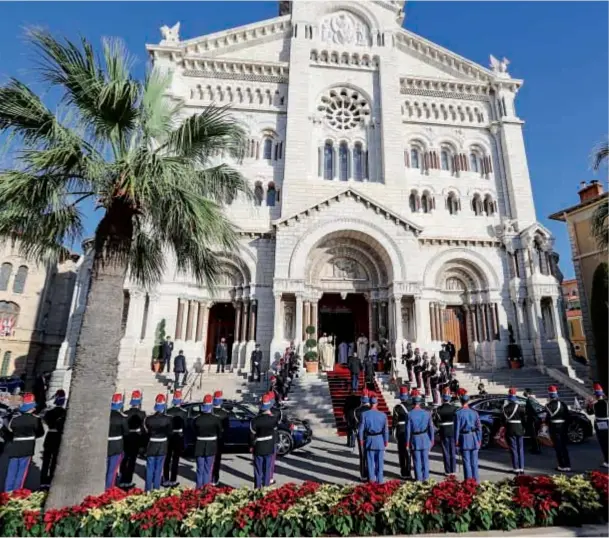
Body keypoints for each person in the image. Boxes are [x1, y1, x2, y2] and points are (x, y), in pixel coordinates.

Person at [3, 393, 44, 492]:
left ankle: (7, 491)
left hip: (15, 445)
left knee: (11, 471)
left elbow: (9, 432)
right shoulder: (35, 420)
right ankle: (17, 492)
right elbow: (40, 433)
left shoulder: (15, 419)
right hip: (27, 446)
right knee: (22, 472)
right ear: (31, 408)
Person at [193, 394, 223, 488]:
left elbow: (194, 431)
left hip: (199, 445)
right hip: (211, 445)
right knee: (208, 469)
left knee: (199, 469)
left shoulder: (197, 419)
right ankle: (206, 489)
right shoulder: (216, 419)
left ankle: (198, 488)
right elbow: (220, 432)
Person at [250, 394, 279, 489]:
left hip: (258, 446)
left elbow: (251, 436)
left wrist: (251, 446)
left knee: (258, 470)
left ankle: (257, 487)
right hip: (269, 446)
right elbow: (275, 432)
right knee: (267, 468)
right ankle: (266, 487)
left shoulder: (255, 421)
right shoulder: (273, 419)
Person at [144, 394, 172, 491]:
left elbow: (147, 430)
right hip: (162, 444)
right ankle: (156, 488)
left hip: (152, 444)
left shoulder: (149, 419)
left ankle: (147, 489)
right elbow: (169, 432)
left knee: (149, 468)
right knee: (159, 468)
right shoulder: (168, 419)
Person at [119, 390, 147, 489]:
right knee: (132, 460)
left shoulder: (126, 413)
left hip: (127, 437)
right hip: (136, 437)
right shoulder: (142, 413)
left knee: (125, 459)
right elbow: (143, 428)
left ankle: (122, 478)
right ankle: (128, 481)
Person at [358, 396, 388, 484]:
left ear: (369, 403)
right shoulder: (383, 415)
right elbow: (385, 431)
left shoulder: (364, 414)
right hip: (379, 440)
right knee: (380, 463)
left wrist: (361, 441)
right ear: (377, 403)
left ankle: (371, 480)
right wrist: (385, 442)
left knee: (370, 462)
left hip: (369, 440)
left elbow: (361, 430)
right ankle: (380, 480)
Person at [405, 389, 434, 481]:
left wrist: (407, 443)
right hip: (425, 438)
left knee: (417, 461)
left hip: (415, 439)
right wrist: (432, 440)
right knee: (425, 460)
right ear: (420, 402)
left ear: (413, 402)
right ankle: (426, 479)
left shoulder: (409, 414)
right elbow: (431, 428)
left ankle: (418, 479)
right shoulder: (427, 413)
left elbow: (408, 430)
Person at [40, 389, 67, 488]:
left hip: (50, 436)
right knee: (55, 460)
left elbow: (43, 418)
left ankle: (43, 481)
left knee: (46, 460)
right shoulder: (65, 413)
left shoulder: (49, 412)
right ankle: (51, 479)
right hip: (58, 437)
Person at [455, 390, 481, 483]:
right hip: (473, 437)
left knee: (466, 462)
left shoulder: (458, 413)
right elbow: (479, 428)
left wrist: (456, 442)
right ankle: (476, 481)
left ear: (461, 401)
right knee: (474, 462)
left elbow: (457, 429)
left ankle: (468, 482)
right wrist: (479, 439)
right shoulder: (474, 412)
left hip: (464, 438)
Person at [163, 390, 187, 487]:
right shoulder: (183, 412)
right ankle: (173, 480)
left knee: (167, 459)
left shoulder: (168, 411)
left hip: (169, 436)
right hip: (178, 436)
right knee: (175, 459)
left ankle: (165, 479)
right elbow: (185, 425)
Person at [545, 385, 571, 472]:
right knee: (564, 446)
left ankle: (561, 465)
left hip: (554, 428)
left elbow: (547, 419)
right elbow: (568, 416)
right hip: (563, 426)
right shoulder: (563, 404)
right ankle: (568, 465)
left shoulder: (548, 406)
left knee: (558, 447)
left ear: (549, 395)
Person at [106, 393, 129, 490]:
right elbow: (126, 432)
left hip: (106, 444)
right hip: (117, 446)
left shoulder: (106, 415)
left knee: (105, 468)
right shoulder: (122, 417)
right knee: (112, 470)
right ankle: (108, 489)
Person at [502, 387, 526, 475]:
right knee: (520, 449)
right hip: (519, 428)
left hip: (510, 428)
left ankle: (516, 468)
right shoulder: (521, 407)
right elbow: (524, 419)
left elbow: (503, 420)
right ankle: (521, 468)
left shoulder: (505, 408)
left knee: (513, 449)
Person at [433, 389, 457, 476]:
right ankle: (453, 469)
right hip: (452, 431)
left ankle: (447, 470)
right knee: (453, 451)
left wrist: (439, 427)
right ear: (449, 398)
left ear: (442, 398)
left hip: (443, 431)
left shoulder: (438, 410)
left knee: (446, 451)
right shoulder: (454, 408)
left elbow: (435, 422)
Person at [586, 383, 608, 467]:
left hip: (600, 423)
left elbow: (589, 412)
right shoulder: (607, 402)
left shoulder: (595, 404)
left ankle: (607, 461)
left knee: (604, 443)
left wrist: (588, 404)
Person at [392, 386, 411, 480]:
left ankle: (404, 472)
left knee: (402, 452)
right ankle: (409, 470)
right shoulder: (412, 406)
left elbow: (394, 422)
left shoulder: (397, 407)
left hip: (401, 429)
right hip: (410, 430)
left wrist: (393, 432)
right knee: (409, 452)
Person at [212, 391, 229, 486]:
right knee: (217, 460)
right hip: (219, 439)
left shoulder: (210, 412)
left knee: (209, 461)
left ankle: (209, 478)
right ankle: (215, 479)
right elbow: (227, 428)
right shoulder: (224, 413)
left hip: (209, 439)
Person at [354, 392, 371, 481]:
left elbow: (355, 423)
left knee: (362, 456)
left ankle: (363, 475)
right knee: (371, 455)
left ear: (361, 400)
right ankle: (371, 474)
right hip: (370, 434)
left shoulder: (356, 411)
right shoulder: (371, 410)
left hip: (361, 435)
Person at [523, 388, 541, 454]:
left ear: (527, 392)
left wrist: (528, 414)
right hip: (534, 419)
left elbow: (534, 409)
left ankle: (537, 449)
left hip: (533, 419)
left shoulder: (530, 400)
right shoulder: (531, 399)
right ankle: (534, 448)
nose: (523, 392)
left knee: (534, 435)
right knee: (533, 435)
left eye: (524, 391)